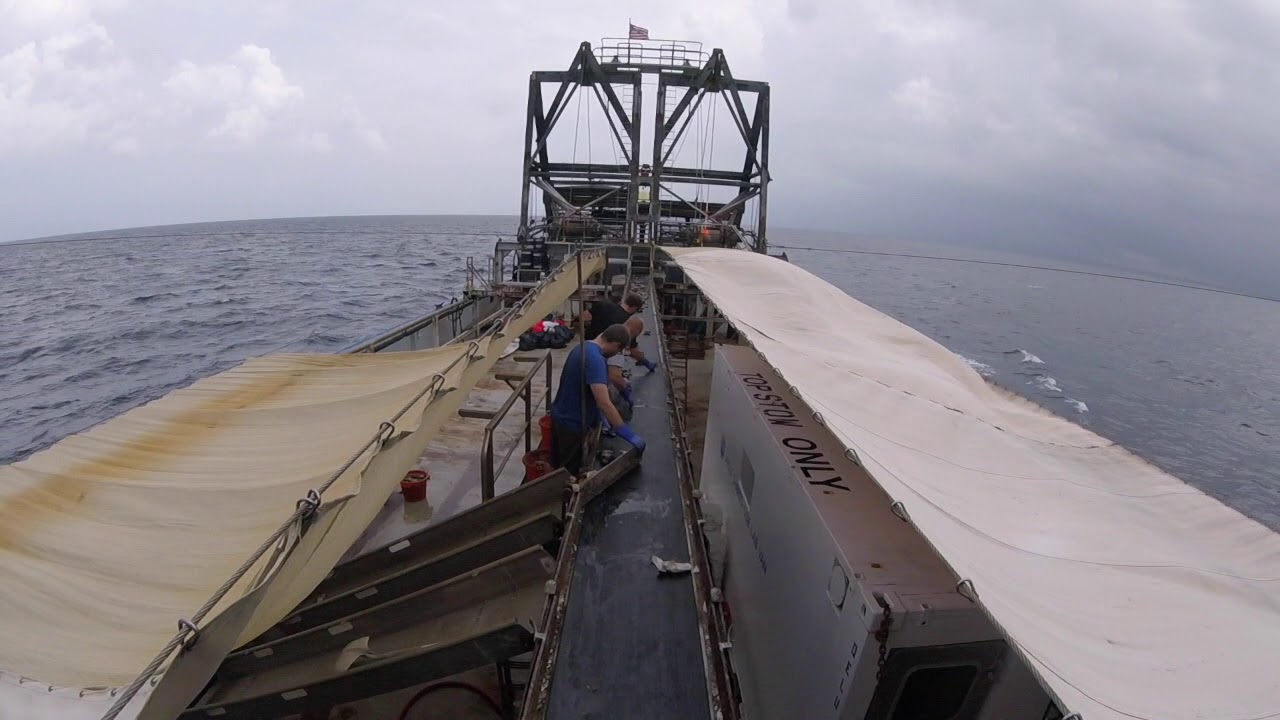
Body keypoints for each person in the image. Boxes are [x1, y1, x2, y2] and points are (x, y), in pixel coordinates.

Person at [549, 323, 646, 475]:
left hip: (560, 416)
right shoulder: (595, 360)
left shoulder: (584, 347)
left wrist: (597, 417)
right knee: (567, 474)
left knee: (558, 465)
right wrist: (627, 433)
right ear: (615, 344)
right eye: (619, 350)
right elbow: (604, 403)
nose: (616, 354)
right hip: (572, 424)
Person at [581, 293, 658, 372]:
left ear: (625, 301)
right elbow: (633, 350)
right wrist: (647, 363)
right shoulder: (627, 324)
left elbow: (585, 316)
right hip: (605, 352)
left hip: (589, 343)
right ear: (634, 308)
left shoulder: (604, 305)